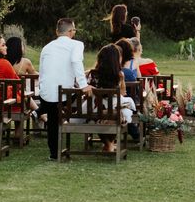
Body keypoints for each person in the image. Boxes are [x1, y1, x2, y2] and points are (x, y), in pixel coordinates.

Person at [39, 18, 92, 161]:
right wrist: (83, 84)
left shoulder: (46, 47)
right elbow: (76, 61)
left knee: (52, 120)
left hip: (46, 94)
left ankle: (54, 153)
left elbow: (42, 71)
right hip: (63, 96)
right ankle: (73, 122)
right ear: (71, 32)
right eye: (74, 30)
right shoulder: (76, 45)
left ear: (57, 32)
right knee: (81, 96)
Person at [88, 44, 136, 151]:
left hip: (94, 107)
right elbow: (123, 93)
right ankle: (110, 143)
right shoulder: (119, 74)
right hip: (113, 109)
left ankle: (108, 144)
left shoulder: (93, 74)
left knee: (101, 117)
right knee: (120, 112)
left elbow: (88, 90)